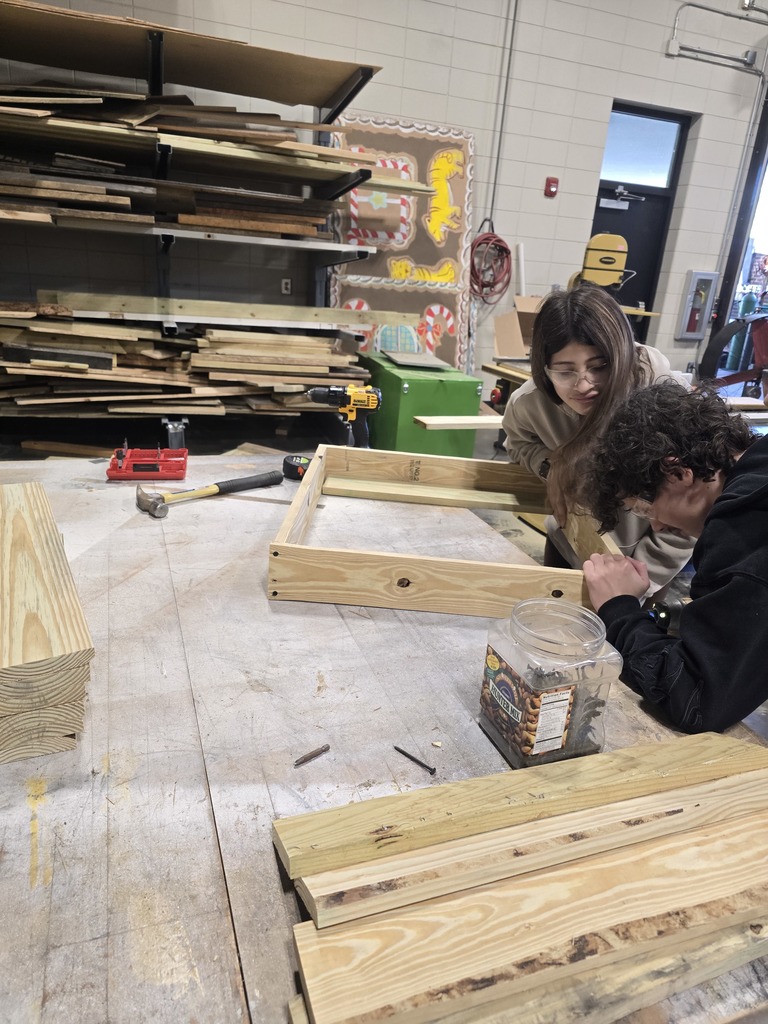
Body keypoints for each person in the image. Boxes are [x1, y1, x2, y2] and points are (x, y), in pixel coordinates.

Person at [578, 380, 764, 733]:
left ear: (678, 473)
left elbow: (695, 699)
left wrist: (619, 608)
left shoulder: (745, 525)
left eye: (648, 508)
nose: (658, 527)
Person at [502, 284, 694, 595]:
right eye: (565, 371)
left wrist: (638, 583)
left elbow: (692, 511)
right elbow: (519, 444)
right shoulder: (529, 404)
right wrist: (551, 467)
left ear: (621, 356)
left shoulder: (664, 399)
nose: (583, 384)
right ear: (544, 368)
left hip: (646, 563)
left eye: (599, 366)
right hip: (570, 541)